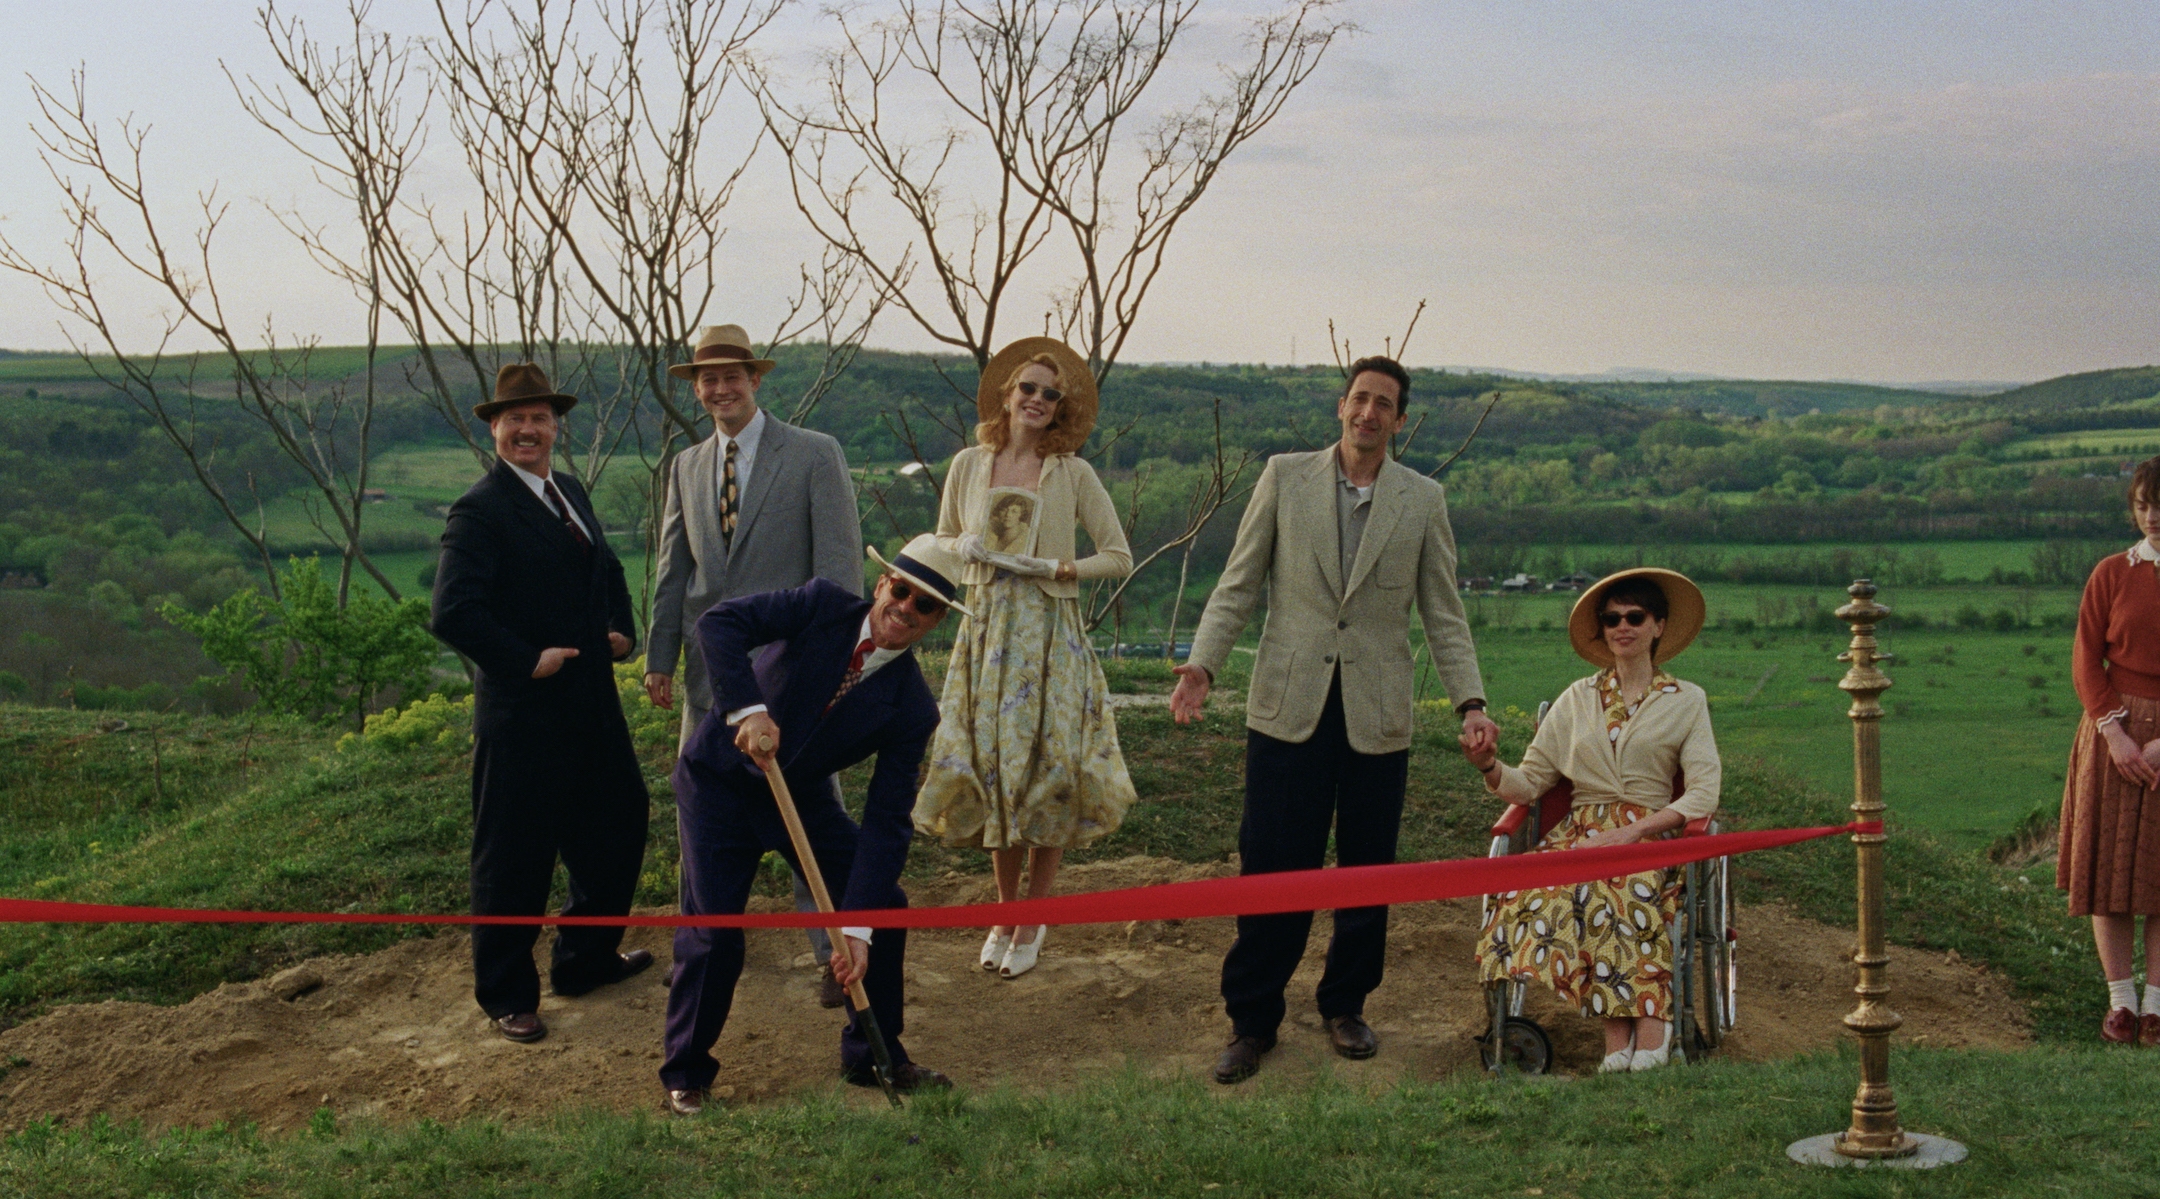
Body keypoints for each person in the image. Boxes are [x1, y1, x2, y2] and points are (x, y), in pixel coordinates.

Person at [1170, 355, 1496, 1084]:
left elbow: (1444, 612)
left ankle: (1345, 1003)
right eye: (1359, 399)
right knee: (1272, 865)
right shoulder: (1285, 478)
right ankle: (1252, 1019)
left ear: (1400, 420)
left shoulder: (1423, 499)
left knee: (1366, 866)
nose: (1369, 413)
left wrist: (1471, 702)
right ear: (1340, 407)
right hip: (1288, 709)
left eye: (1384, 404)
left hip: (1377, 716)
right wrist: (1203, 664)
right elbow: (1239, 581)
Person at [660, 534, 966, 1115]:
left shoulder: (913, 708)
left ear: (937, 620)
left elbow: (886, 822)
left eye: (926, 605)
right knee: (715, 929)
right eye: (902, 590)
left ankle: (872, 1055)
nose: (907, 608)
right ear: (882, 584)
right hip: (720, 782)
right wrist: (748, 710)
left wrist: (857, 928)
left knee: (884, 909)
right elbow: (720, 624)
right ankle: (686, 1071)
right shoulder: (823, 605)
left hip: (797, 798)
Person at [431, 363, 652, 1044]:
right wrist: (528, 659)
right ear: (494, 428)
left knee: (618, 822)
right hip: (523, 713)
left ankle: (585, 960)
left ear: (556, 426)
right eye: (514, 419)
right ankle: (506, 995)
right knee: (514, 856)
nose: (528, 429)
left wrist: (620, 631)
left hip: (591, 703)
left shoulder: (570, 491)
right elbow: (453, 611)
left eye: (539, 418)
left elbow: (608, 571)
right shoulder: (480, 509)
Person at [644, 323, 865, 1006]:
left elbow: (839, 573)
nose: (718, 389)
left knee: (811, 812)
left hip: (791, 676)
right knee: (697, 811)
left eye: (730, 376)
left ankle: (836, 950)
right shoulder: (685, 466)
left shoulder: (813, 454)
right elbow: (673, 568)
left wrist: (836, 668)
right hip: (711, 678)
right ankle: (696, 948)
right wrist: (659, 655)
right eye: (706, 379)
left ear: (755, 379)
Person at [913, 337, 1137, 980]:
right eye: (1027, 389)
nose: (1037, 400)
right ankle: (1005, 913)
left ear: (1060, 407)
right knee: (992, 771)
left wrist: (1056, 565)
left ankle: (1036, 916)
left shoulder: (1073, 473)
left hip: (1048, 635)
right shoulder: (967, 465)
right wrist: (969, 550)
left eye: (1050, 393)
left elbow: (1117, 556)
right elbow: (943, 538)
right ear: (1006, 397)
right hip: (984, 633)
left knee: (1047, 771)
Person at [1461, 569, 1720, 1074]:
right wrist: (1489, 766)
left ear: (1659, 626)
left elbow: (1705, 791)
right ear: (1601, 629)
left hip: (1650, 833)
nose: (1622, 627)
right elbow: (1530, 782)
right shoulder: (1576, 699)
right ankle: (1623, 1039)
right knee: (1549, 890)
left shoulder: (1688, 701)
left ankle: (1646, 1028)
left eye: (1634, 617)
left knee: (1621, 882)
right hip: (1580, 832)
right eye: (1611, 619)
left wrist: (1637, 831)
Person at [2060, 453, 2160, 1046]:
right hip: (2111, 738)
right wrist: (2116, 733)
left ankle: (2158, 1006)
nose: (2153, 517)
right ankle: (2121, 1002)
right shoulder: (2111, 572)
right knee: (2110, 877)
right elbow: (2084, 657)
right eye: (2143, 505)